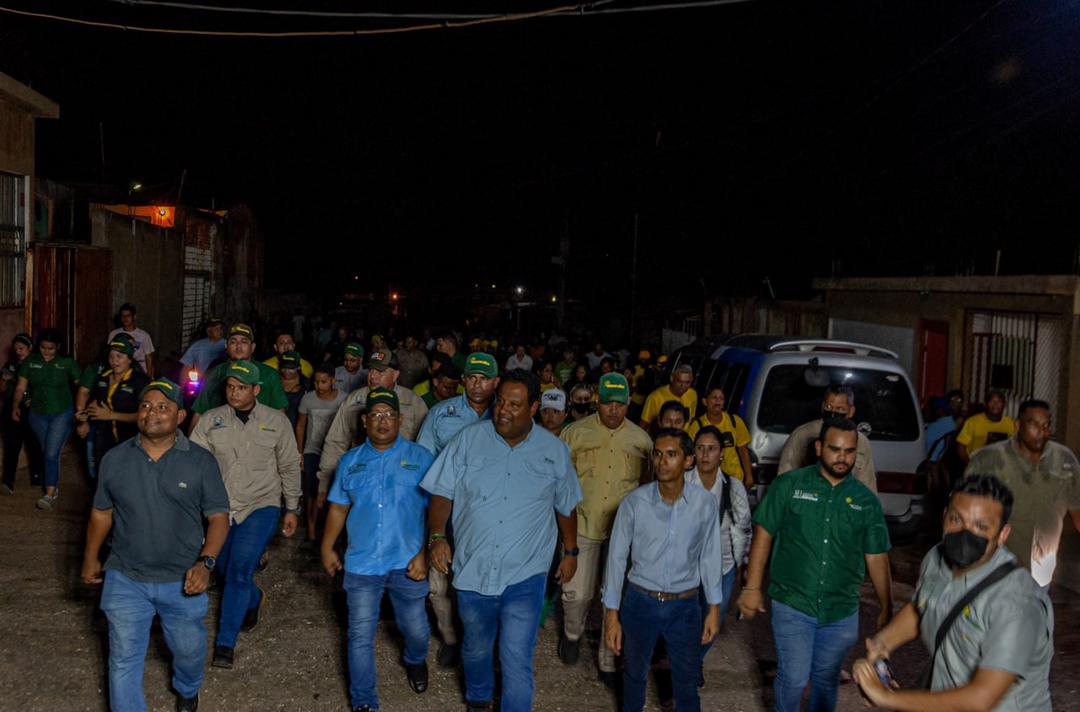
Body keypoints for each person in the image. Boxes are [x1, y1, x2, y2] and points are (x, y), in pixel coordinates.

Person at [421, 369, 582, 712]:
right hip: (473, 568)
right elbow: (441, 491)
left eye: (515, 404)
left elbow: (566, 505)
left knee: (516, 657)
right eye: (500, 401)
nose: (503, 410)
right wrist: (437, 536)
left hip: (526, 574)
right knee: (476, 649)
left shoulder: (553, 451)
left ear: (534, 407)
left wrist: (570, 551)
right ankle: (478, 700)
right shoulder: (467, 440)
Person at [81, 378, 230, 712]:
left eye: (163, 406)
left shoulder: (200, 461)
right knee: (122, 660)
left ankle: (187, 687)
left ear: (180, 416)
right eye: (146, 405)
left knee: (188, 651)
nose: (152, 413)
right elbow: (101, 513)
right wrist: (91, 556)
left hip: (182, 580)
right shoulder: (115, 459)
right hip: (125, 576)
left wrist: (205, 563)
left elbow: (219, 517)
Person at [852, 474, 1053, 711]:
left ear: (1003, 534)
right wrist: (882, 643)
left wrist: (886, 698)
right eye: (957, 519)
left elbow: (981, 700)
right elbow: (923, 606)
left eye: (981, 526)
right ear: (944, 516)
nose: (965, 533)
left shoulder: (1016, 602)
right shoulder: (936, 559)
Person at [738, 418, 893, 712]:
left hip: (841, 610)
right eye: (835, 449)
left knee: (826, 680)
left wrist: (887, 607)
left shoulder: (866, 502)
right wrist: (753, 586)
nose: (842, 458)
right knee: (794, 678)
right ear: (819, 447)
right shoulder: (789, 486)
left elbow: (876, 555)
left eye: (849, 451)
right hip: (793, 602)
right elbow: (764, 532)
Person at [321, 388, 435, 712]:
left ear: (400, 419)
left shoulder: (421, 459)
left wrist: (425, 553)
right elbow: (338, 509)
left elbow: (436, 513)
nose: (382, 421)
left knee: (415, 628)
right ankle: (364, 701)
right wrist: (327, 547)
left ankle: (414, 658)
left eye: (389, 415)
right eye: (376, 415)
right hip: (362, 564)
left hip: (407, 562)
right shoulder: (350, 462)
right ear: (364, 420)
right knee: (359, 635)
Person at [189, 360, 302, 670]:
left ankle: (225, 643)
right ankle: (252, 599)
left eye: (241, 388)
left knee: (239, 569)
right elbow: (193, 464)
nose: (233, 393)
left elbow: (290, 465)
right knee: (224, 569)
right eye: (229, 386)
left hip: (261, 505)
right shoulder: (211, 421)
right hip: (221, 509)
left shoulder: (276, 422)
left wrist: (292, 508)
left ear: (256, 389)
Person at [602, 428, 723, 712]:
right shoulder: (634, 503)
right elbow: (616, 559)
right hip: (639, 603)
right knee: (633, 676)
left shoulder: (704, 504)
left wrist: (714, 610)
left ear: (689, 461)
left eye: (671, 454)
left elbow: (710, 556)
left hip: (685, 606)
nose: (662, 461)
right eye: (658, 454)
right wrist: (611, 615)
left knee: (686, 681)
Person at [558, 373, 652, 688]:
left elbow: (648, 487)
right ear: (597, 401)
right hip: (582, 526)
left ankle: (608, 660)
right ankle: (572, 633)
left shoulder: (642, 441)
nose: (613, 410)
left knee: (615, 598)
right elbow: (559, 484)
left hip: (622, 535)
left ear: (628, 403)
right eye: (607, 402)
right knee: (577, 594)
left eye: (620, 404)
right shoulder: (573, 434)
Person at [414, 351, 500, 666]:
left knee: (485, 582)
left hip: (489, 516)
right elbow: (424, 463)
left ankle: (480, 642)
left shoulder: (505, 416)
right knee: (439, 585)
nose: (478, 384)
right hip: (446, 510)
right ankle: (450, 637)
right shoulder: (441, 413)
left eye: (485, 378)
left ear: (496, 382)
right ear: (463, 380)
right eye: (472, 377)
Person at [965, 399, 1080, 587]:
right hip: (995, 570)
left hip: (1041, 574)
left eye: (1046, 425)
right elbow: (964, 512)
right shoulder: (988, 460)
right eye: (1034, 424)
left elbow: (1078, 512)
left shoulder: (1064, 460)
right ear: (1017, 425)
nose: (1042, 431)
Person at [316, 350, 429, 500]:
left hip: (401, 481)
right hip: (361, 479)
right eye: (371, 370)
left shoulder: (413, 402)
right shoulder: (354, 401)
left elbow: (424, 448)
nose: (373, 376)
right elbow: (335, 442)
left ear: (395, 374)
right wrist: (324, 484)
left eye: (381, 372)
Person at [686, 425, 751, 631]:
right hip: (685, 567)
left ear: (722, 453)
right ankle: (686, 660)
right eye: (700, 448)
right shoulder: (682, 482)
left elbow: (742, 529)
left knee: (715, 617)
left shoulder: (733, 487)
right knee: (687, 618)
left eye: (712, 449)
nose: (705, 455)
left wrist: (743, 567)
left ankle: (695, 659)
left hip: (722, 566)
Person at [12, 327, 80, 510]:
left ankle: (49, 493)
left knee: (51, 453)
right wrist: (15, 406)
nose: (47, 352)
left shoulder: (67, 363)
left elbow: (81, 387)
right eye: (43, 348)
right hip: (37, 415)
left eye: (51, 348)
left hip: (62, 412)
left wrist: (81, 410)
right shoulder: (30, 362)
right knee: (48, 453)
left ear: (57, 347)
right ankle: (53, 484)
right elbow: (20, 387)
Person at [777, 384, 877, 492]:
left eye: (840, 409)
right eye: (828, 407)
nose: (833, 413)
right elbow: (784, 478)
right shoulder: (803, 435)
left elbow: (867, 486)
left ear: (851, 411)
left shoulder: (861, 442)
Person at [75, 336, 151, 472]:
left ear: (129, 359)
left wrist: (111, 415)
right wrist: (84, 418)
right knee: (103, 478)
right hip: (104, 441)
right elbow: (95, 403)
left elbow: (145, 416)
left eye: (119, 356)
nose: (114, 361)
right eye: (111, 356)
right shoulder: (103, 377)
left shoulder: (141, 382)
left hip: (131, 442)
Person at [189, 324, 288, 427]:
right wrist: (191, 442)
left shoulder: (269, 375)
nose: (238, 346)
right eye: (233, 342)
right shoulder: (214, 374)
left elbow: (280, 415)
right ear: (226, 346)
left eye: (244, 342)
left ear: (252, 347)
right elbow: (199, 413)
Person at [296, 362, 348, 545]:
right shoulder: (308, 399)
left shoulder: (343, 399)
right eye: (316, 382)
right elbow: (301, 425)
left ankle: (330, 533)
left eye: (324, 382)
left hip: (336, 452)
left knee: (332, 492)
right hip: (312, 450)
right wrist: (300, 452)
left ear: (333, 380)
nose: (319, 386)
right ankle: (310, 532)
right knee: (311, 493)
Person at [687, 386, 754, 486]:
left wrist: (749, 477)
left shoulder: (734, 421)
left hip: (734, 478)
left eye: (721, 399)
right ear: (705, 401)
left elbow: (743, 451)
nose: (718, 401)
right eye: (714, 398)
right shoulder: (698, 425)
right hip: (708, 480)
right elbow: (690, 453)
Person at [1, 333, 43, 493]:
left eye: (22, 348)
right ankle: (8, 481)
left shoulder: (37, 364)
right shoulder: (10, 364)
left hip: (31, 410)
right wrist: (4, 380)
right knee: (11, 445)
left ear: (30, 348)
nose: (19, 352)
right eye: (16, 349)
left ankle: (37, 476)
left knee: (33, 444)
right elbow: (2, 389)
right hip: (11, 408)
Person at [956, 390, 1014, 464]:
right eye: (992, 401)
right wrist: (970, 464)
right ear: (986, 404)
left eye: (999, 401)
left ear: (1004, 405)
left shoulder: (1010, 423)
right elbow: (961, 447)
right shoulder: (973, 422)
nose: (995, 404)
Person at [639, 364, 697, 430]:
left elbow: (691, 419)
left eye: (687, 382)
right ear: (672, 378)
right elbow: (644, 424)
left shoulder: (693, 394)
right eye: (679, 381)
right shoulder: (655, 397)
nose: (683, 386)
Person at [109, 303, 156, 378]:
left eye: (128, 316)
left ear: (134, 317)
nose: (125, 318)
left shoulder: (144, 335)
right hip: (121, 370)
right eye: (123, 316)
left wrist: (149, 377)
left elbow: (148, 358)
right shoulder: (114, 334)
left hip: (140, 371)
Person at [179, 317, 226, 389]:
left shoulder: (227, 345)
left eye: (221, 328)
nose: (220, 331)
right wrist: (182, 387)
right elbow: (186, 367)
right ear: (208, 331)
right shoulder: (197, 346)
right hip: (201, 383)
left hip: (220, 383)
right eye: (216, 329)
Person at [277, 351, 310, 428]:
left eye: (291, 368)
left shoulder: (306, 384)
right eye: (284, 367)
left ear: (298, 367)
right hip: (278, 426)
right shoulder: (275, 381)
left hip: (299, 427)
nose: (287, 371)